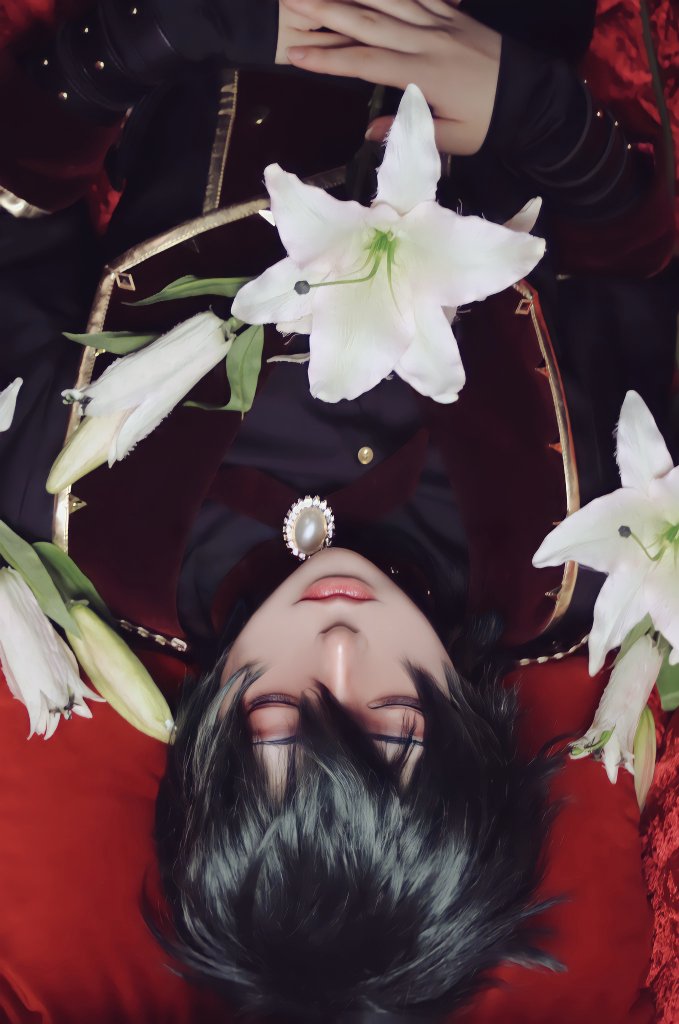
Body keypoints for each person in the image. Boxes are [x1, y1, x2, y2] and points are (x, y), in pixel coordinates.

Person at [0, 1, 676, 1021]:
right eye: (398, 720)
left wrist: (157, 36)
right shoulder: (580, 566)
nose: (341, 644)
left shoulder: (83, 520)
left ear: (200, 744)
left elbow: (16, 214)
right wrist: (539, 115)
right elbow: (633, 271)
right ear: (473, 742)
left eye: (277, 715)